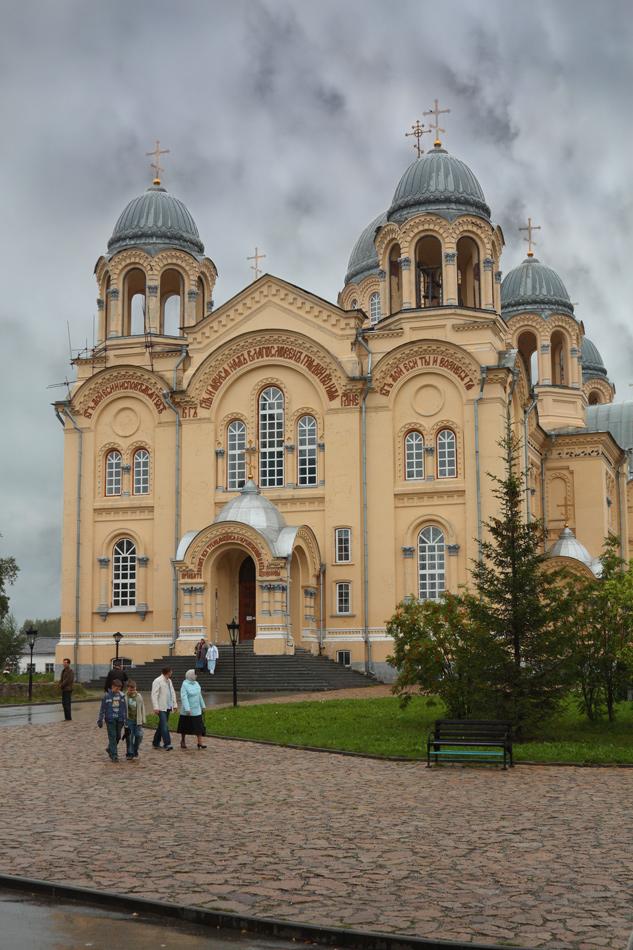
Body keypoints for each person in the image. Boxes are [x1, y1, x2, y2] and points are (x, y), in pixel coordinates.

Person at [97, 679, 128, 762]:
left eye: (119, 689)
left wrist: (126, 721)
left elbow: (125, 709)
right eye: (116, 689)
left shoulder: (122, 696)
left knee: (118, 736)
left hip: (120, 719)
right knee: (113, 737)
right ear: (112, 687)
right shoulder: (107, 696)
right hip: (110, 719)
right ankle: (114, 755)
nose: (118, 691)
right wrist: (100, 719)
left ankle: (109, 748)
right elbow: (102, 709)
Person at [177, 670, 206, 750]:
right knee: (184, 727)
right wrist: (187, 708)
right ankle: (183, 741)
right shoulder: (185, 684)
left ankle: (200, 742)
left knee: (199, 726)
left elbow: (199, 695)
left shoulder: (196, 684)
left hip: (196, 709)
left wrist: (202, 705)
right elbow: (184, 697)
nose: (196, 676)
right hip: (187, 710)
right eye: (194, 675)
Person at [151, 666, 178, 751]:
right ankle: (167, 743)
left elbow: (172, 693)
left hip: (168, 706)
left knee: (162, 725)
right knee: (164, 725)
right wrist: (156, 707)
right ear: (168, 672)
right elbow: (154, 695)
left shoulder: (169, 681)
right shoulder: (158, 681)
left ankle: (156, 741)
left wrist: (174, 705)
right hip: (161, 707)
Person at [124, 680, 145, 760]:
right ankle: (130, 752)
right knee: (129, 737)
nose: (132, 692)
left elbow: (142, 708)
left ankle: (135, 748)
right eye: (130, 690)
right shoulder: (125, 697)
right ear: (127, 689)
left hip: (138, 720)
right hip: (129, 720)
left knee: (139, 735)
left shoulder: (139, 697)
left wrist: (143, 719)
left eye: (134, 690)